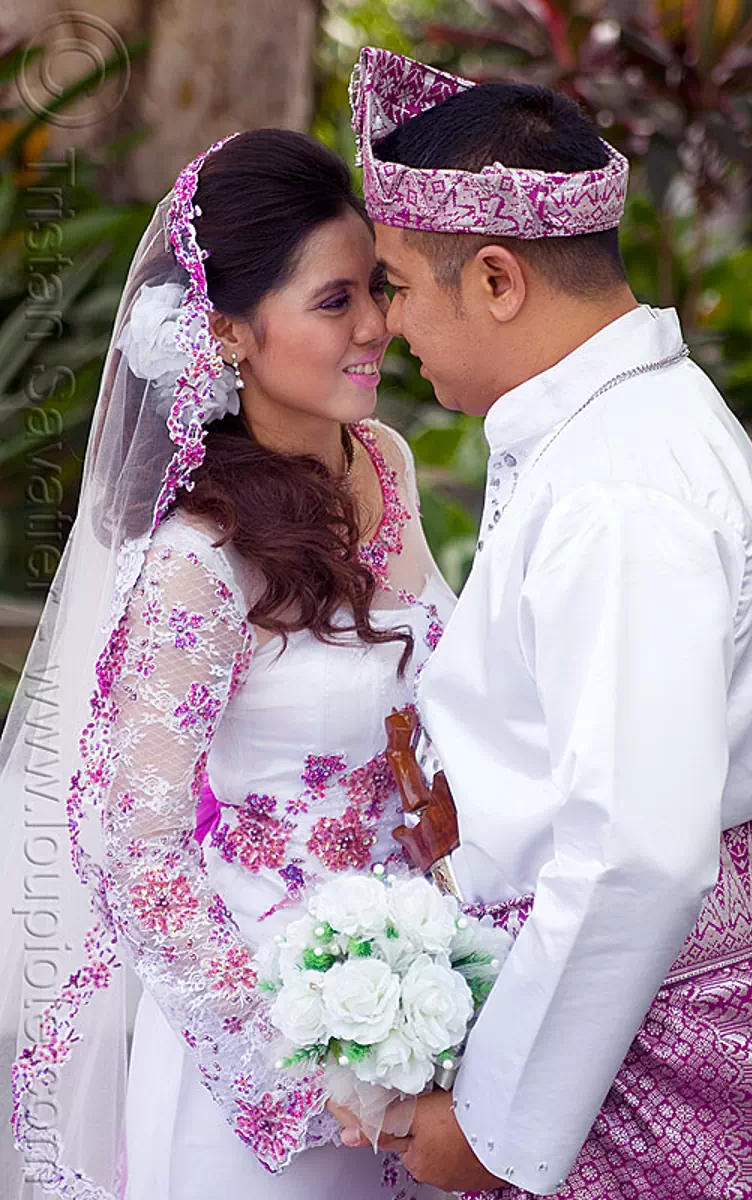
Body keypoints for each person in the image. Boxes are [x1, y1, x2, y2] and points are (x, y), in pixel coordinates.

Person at [338, 47, 752, 1199]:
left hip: (644, 1046)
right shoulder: (608, 428)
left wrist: (495, 1130)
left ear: (497, 280)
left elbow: (632, 856)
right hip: (629, 1005)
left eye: (396, 283)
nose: (387, 326)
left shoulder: (618, 488)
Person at [1, 127, 454, 1200]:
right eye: (335, 302)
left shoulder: (382, 461)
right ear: (230, 332)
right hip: (264, 1059)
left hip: (427, 1016)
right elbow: (137, 849)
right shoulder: (198, 557)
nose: (377, 327)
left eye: (377, 292)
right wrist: (296, 1069)